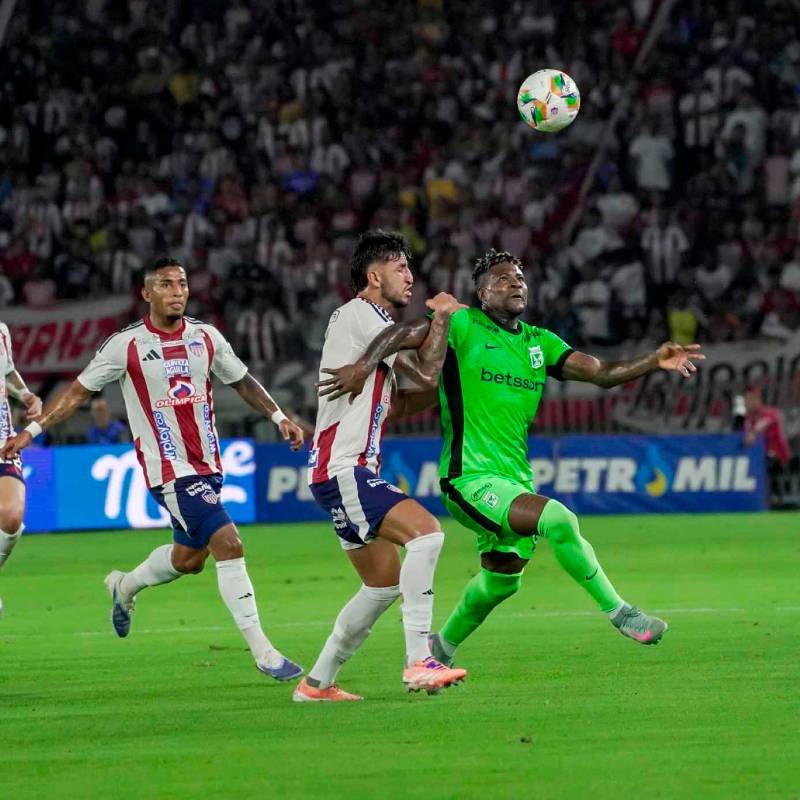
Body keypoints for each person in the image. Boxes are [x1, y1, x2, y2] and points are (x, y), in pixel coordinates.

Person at [321, 248, 706, 668]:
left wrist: (653, 360)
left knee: (502, 581)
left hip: (514, 480)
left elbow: (598, 372)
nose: (515, 282)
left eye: (519, 277)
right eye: (503, 278)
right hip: (467, 478)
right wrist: (364, 364)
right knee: (558, 519)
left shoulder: (539, 342)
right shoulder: (464, 324)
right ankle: (622, 613)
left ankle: (440, 649)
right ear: (482, 293)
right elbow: (409, 330)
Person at [1, 257, 305, 680]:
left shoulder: (206, 337)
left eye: (181, 283)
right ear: (147, 293)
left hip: (208, 465)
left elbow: (243, 380)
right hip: (168, 470)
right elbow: (77, 392)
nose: (177, 291)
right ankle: (264, 652)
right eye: (166, 284)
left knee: (189, 559)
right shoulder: (125, 345)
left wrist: (279, 417)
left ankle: (125, 586)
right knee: (229, 544)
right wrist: (33, 429)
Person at [293, 230, 467, 702]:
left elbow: (418, 386)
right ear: (374, 276)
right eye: (400, 268)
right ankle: (418, 661)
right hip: (344, 467)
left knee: (382, 586)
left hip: (338, 471)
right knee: (427, 534)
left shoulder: (374, 340)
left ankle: (316, 684)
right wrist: (440, 317)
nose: (410, 276)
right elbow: (417, 351)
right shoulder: (360, 314)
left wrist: (452, 361)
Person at [0, 322, 44, 617]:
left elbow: (7, 370)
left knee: (12, 515)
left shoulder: (1, 331)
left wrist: (26, 395)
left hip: (3, 442)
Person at [743, 385, 792, 506]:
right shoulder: (748, 418)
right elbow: (746, 438)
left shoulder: (770, 413)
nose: (748, 402)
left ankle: (775, 499)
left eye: (751, 399)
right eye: (746, 399)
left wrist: (753, 433)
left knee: (768, 462)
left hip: (779, 457)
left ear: (759, 400)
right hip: (760, 457)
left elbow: (761, 426)